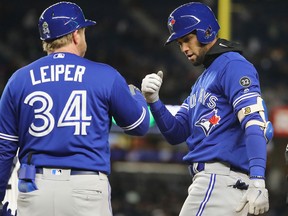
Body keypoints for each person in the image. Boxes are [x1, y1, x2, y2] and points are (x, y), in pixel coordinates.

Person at [0, 2, 150, 216]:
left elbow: (4, 148)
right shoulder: (105, 75)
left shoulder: (19, 79)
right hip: (85, 187)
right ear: (76, 34)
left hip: (34, 189)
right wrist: (138, 96)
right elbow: (139, 126)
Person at [141, 2, 273, 216]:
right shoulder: (203, 80)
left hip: (219, 182)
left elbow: (254, 123)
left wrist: (258, 181)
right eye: (179, 43)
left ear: (206, 31)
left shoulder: (233, 65)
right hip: (220, 184)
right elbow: (176, 133)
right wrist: (154, 101)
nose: (183, 48)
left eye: (187, 39)